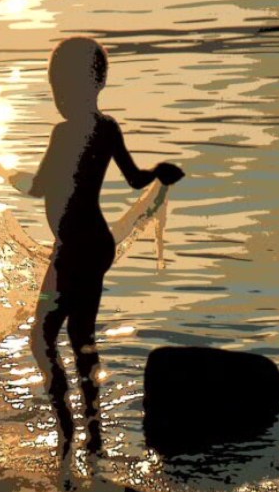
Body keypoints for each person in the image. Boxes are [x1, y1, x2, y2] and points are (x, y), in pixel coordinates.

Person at [12, 37, 184, 459]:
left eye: (64, 88)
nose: (60, 98)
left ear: (92, 86)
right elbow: (135, 179)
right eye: (56, 90)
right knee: (77, 336)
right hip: (87, 246)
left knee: (44, 338)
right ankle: (91, 433)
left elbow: (37, 188)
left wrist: (1, 171)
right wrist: (160, 171)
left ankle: (72, 430)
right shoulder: (107, 129)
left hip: (77, 250)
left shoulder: (64, 132)